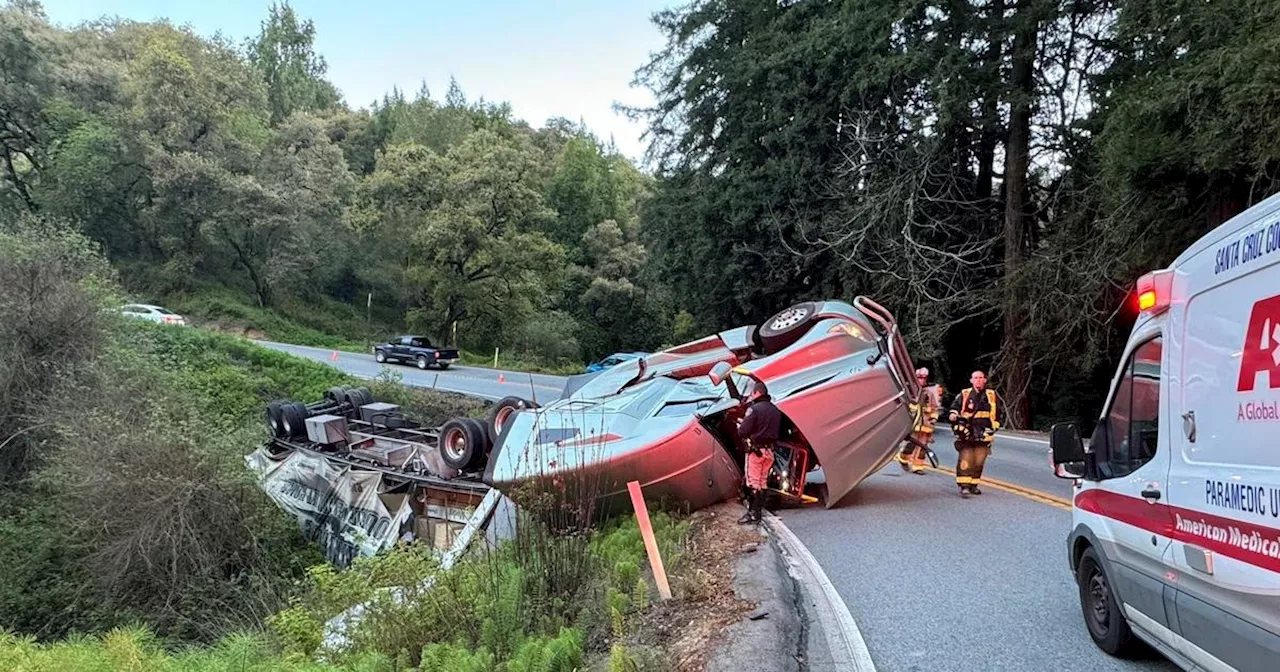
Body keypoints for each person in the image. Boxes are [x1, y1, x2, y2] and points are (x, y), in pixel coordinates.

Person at [947, 370, 1002, 497]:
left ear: (985, 380)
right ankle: (964, 486)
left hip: (984, 433)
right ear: (971, 380)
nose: (978, 380)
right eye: (975, 378)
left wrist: (994, 428)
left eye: (981, 377)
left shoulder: (992, 395)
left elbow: (998, 414)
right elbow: (954, 408)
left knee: (979, 461)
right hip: (966, 433)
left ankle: (973, 485)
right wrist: (953, 415)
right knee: (966, 458)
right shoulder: (964, 394)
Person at [736, 377, 781, 524]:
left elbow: (743, 431)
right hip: (769, 453)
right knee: (762, 482)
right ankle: (759, 511)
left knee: (753, 482)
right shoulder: (775, 410)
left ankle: (752, 513)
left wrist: (741, 425)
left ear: (756, 393)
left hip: (755, 452)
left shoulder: (753, 410)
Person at [896, 367, 940, 474]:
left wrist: (933, 418)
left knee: (923, 447)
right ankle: (903, 458)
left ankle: (918, 467)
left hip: (926, 425)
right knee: (910, 446)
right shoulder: (910, 392)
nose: (922, 380)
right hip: (913, 425)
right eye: (920, 378)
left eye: (924, 378)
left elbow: (934, 408)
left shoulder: (929, 393)